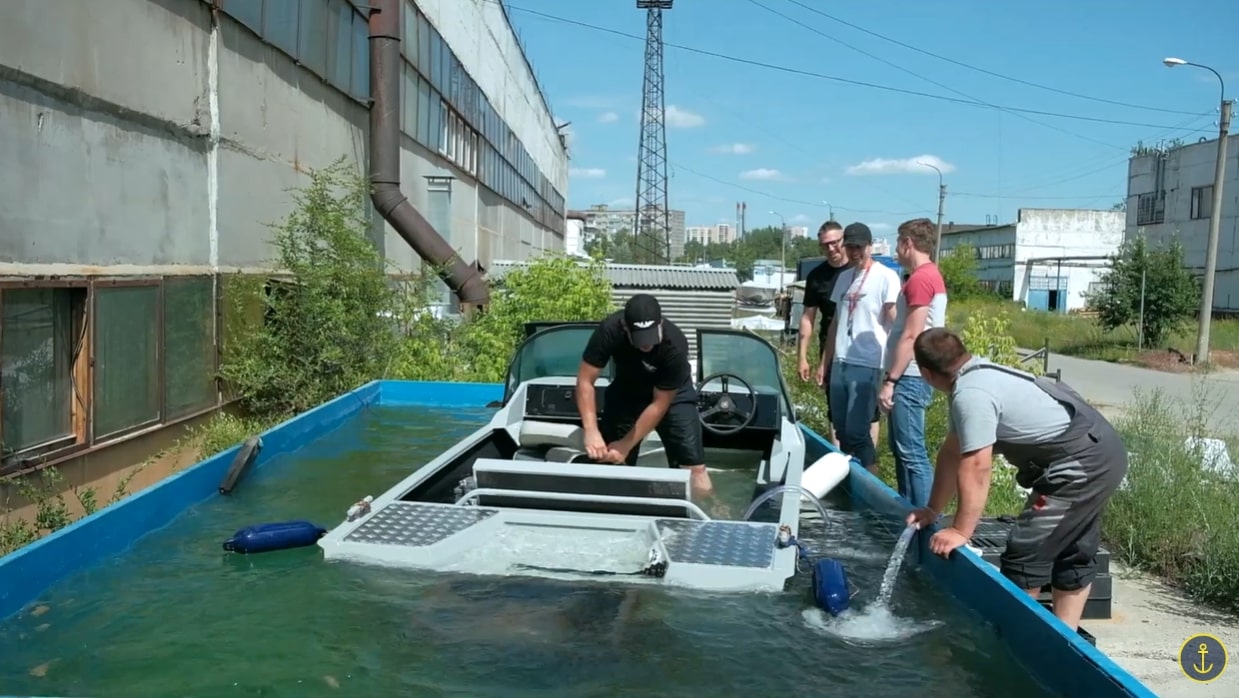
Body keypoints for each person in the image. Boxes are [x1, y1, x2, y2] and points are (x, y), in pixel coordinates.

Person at [906, 328, 1128, 632]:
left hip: (1081, 463)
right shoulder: (978, 374)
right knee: (1072, 547)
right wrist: (933, 510)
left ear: (925, 374)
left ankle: (1018, 644)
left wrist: (960, 530)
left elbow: (976, 466)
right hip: (1101, 451)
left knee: (1027, 550)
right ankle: (1065, 639)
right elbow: (952, 453)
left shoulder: (972, 395)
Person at [575, 293, 713, 498]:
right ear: (625, 328)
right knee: (611, 459)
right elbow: (585, 381)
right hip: (627, 391)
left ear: (660, 324)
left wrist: (626, 444)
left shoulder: (674, 343)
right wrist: (591, 430)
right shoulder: (609, 330)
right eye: (640, 339)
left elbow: (659, 405)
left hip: (673, 396)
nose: (647, 345)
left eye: (651, 336)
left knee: (694, 468)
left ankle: (707, 513)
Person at [816, 222, 901, 473]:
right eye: (850, 247)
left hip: (867, 363)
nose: (854, 252)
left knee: (857, 430)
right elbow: (835, 324)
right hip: (841, 361)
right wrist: (825, 361)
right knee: (841, 430)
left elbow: (894, 320)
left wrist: (895, 366)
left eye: (858, 247)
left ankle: (871, 477)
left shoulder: (886, 277)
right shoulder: (845, 277)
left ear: (869, 246)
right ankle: (850, 476)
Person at [879, 218, 948, 508]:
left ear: (908, 243)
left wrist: (890, 381)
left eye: (898, 242)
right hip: (909, 376)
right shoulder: (926, 275)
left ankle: (924, 518)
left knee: (912, 453)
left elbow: (911, 335)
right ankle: (909, 514)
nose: (897, 249)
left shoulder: (921, 279)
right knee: (902, 450)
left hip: (909, 376)